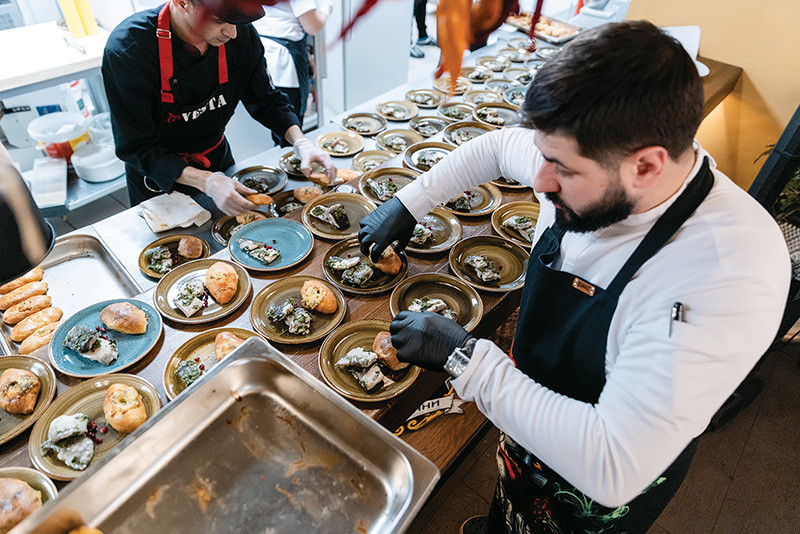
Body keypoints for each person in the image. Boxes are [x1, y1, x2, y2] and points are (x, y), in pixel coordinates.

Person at [359, 21, 790, 534]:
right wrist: (409, 202)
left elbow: (612, 465)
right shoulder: (588, 163)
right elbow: (497, 147)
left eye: (561, 169)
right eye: (544, 156)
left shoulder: (727, 273)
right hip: (529, 425)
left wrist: (465, 359)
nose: (540, 182)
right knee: (509, 507)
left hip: (594, 490)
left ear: (646, 167)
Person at [102, 0, 335, 215]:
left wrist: (300, 141)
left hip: (218, 164)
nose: (232, 33)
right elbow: (137, 146)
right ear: (182, 2)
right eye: (220, 20)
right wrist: (206, 181)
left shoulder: (239, 33)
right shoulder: (129, 50)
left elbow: (267, 99)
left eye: (236, 21)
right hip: (158, 179)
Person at [254, 0, 332, 146]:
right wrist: (326, 7)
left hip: (263, 54)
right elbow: (313, 26)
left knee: (277, 125)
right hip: (284, 63)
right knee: (289, 127)